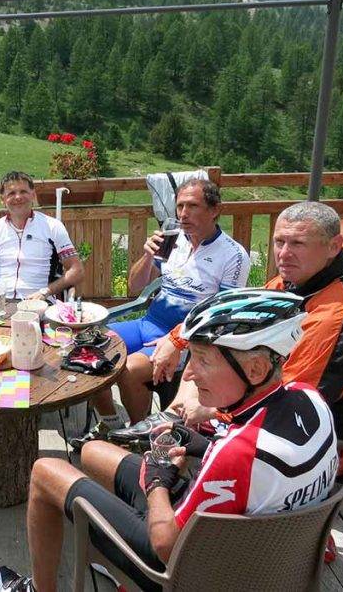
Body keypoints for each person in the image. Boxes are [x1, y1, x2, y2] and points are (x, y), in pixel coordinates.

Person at [0, 288, 339, 592]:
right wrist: (200, 444)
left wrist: (157, 482)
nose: (188, 374)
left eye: (202, 360)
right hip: (259, 559)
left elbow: (165, 545)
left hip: (186, 573)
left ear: (256, 370)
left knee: (43, 471)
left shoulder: (237, 453)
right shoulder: (310, 398)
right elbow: (257, 475)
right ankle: (106, 540)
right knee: (93, 452)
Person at [145, 201, 343, 455]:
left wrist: (210, 411)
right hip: (272, 415)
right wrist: (177, 340)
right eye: (279, 242)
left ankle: (171, 429)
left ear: (334, 246)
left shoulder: (336, 316)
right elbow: (233, 316)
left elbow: (285, 402)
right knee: (209, 348)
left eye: (297, 243)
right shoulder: (302, 280)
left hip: (301, 447)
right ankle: (172, 418)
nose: (284, 254)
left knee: (135, 466)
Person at [71, 178, 250, 448]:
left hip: (186, 339)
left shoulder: (233, 255)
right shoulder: (172, 240)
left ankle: (136, 435)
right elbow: (136, 286)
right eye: (180, 206)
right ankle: (110, 421)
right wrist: (146, 257)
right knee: (84, 346)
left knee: (127, 369)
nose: (183, 214)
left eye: (193, 206)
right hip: (148, 322)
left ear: (215, 210)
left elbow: (220, 314)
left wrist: (178, 339)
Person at [0, 171, 84, 304]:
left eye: (23, 191)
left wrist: (46, 291)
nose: (18, 197)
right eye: (11, 193)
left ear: (33, 195)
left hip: (40, 302)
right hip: (1, 304)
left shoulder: (53, 227)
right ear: (2, 199)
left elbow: (77, 270)